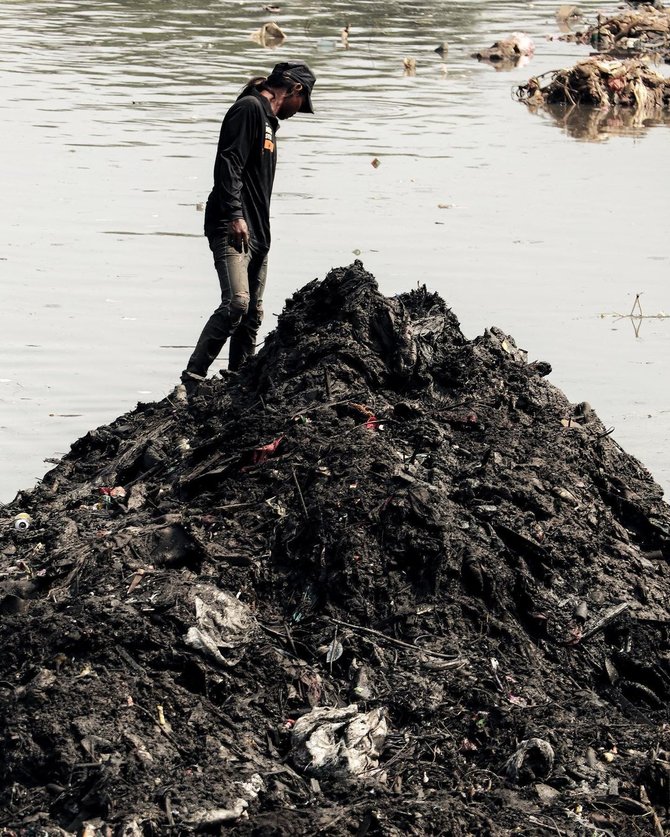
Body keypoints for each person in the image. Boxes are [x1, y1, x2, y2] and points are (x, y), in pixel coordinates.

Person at [180, 60, 317, 397]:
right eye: (304, 101)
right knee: (237, 304)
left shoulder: (268, 122)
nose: (300, 111)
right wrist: (235, 215)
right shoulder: (248, 109)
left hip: (257, 231)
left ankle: (239, 379)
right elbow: (229, 163)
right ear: (295, 89)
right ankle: (192, 379)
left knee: (253, 311)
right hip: (233, 225)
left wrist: (261, 233)